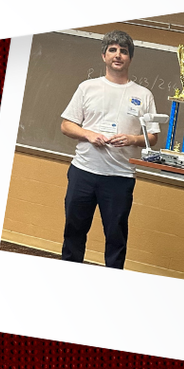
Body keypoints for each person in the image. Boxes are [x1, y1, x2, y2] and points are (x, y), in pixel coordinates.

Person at [59, 31, 157, 268]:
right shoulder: (87, 87)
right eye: (113, 50)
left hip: (119, 178)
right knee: (74, 232)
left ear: (129, 58)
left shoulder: (143, 95)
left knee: (116, 239)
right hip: (83, 172)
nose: (118, 55)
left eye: (124, 51)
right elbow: (66, 125)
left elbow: (152, 137)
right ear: (104, 56)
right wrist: (88, 134)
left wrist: (132, 139)